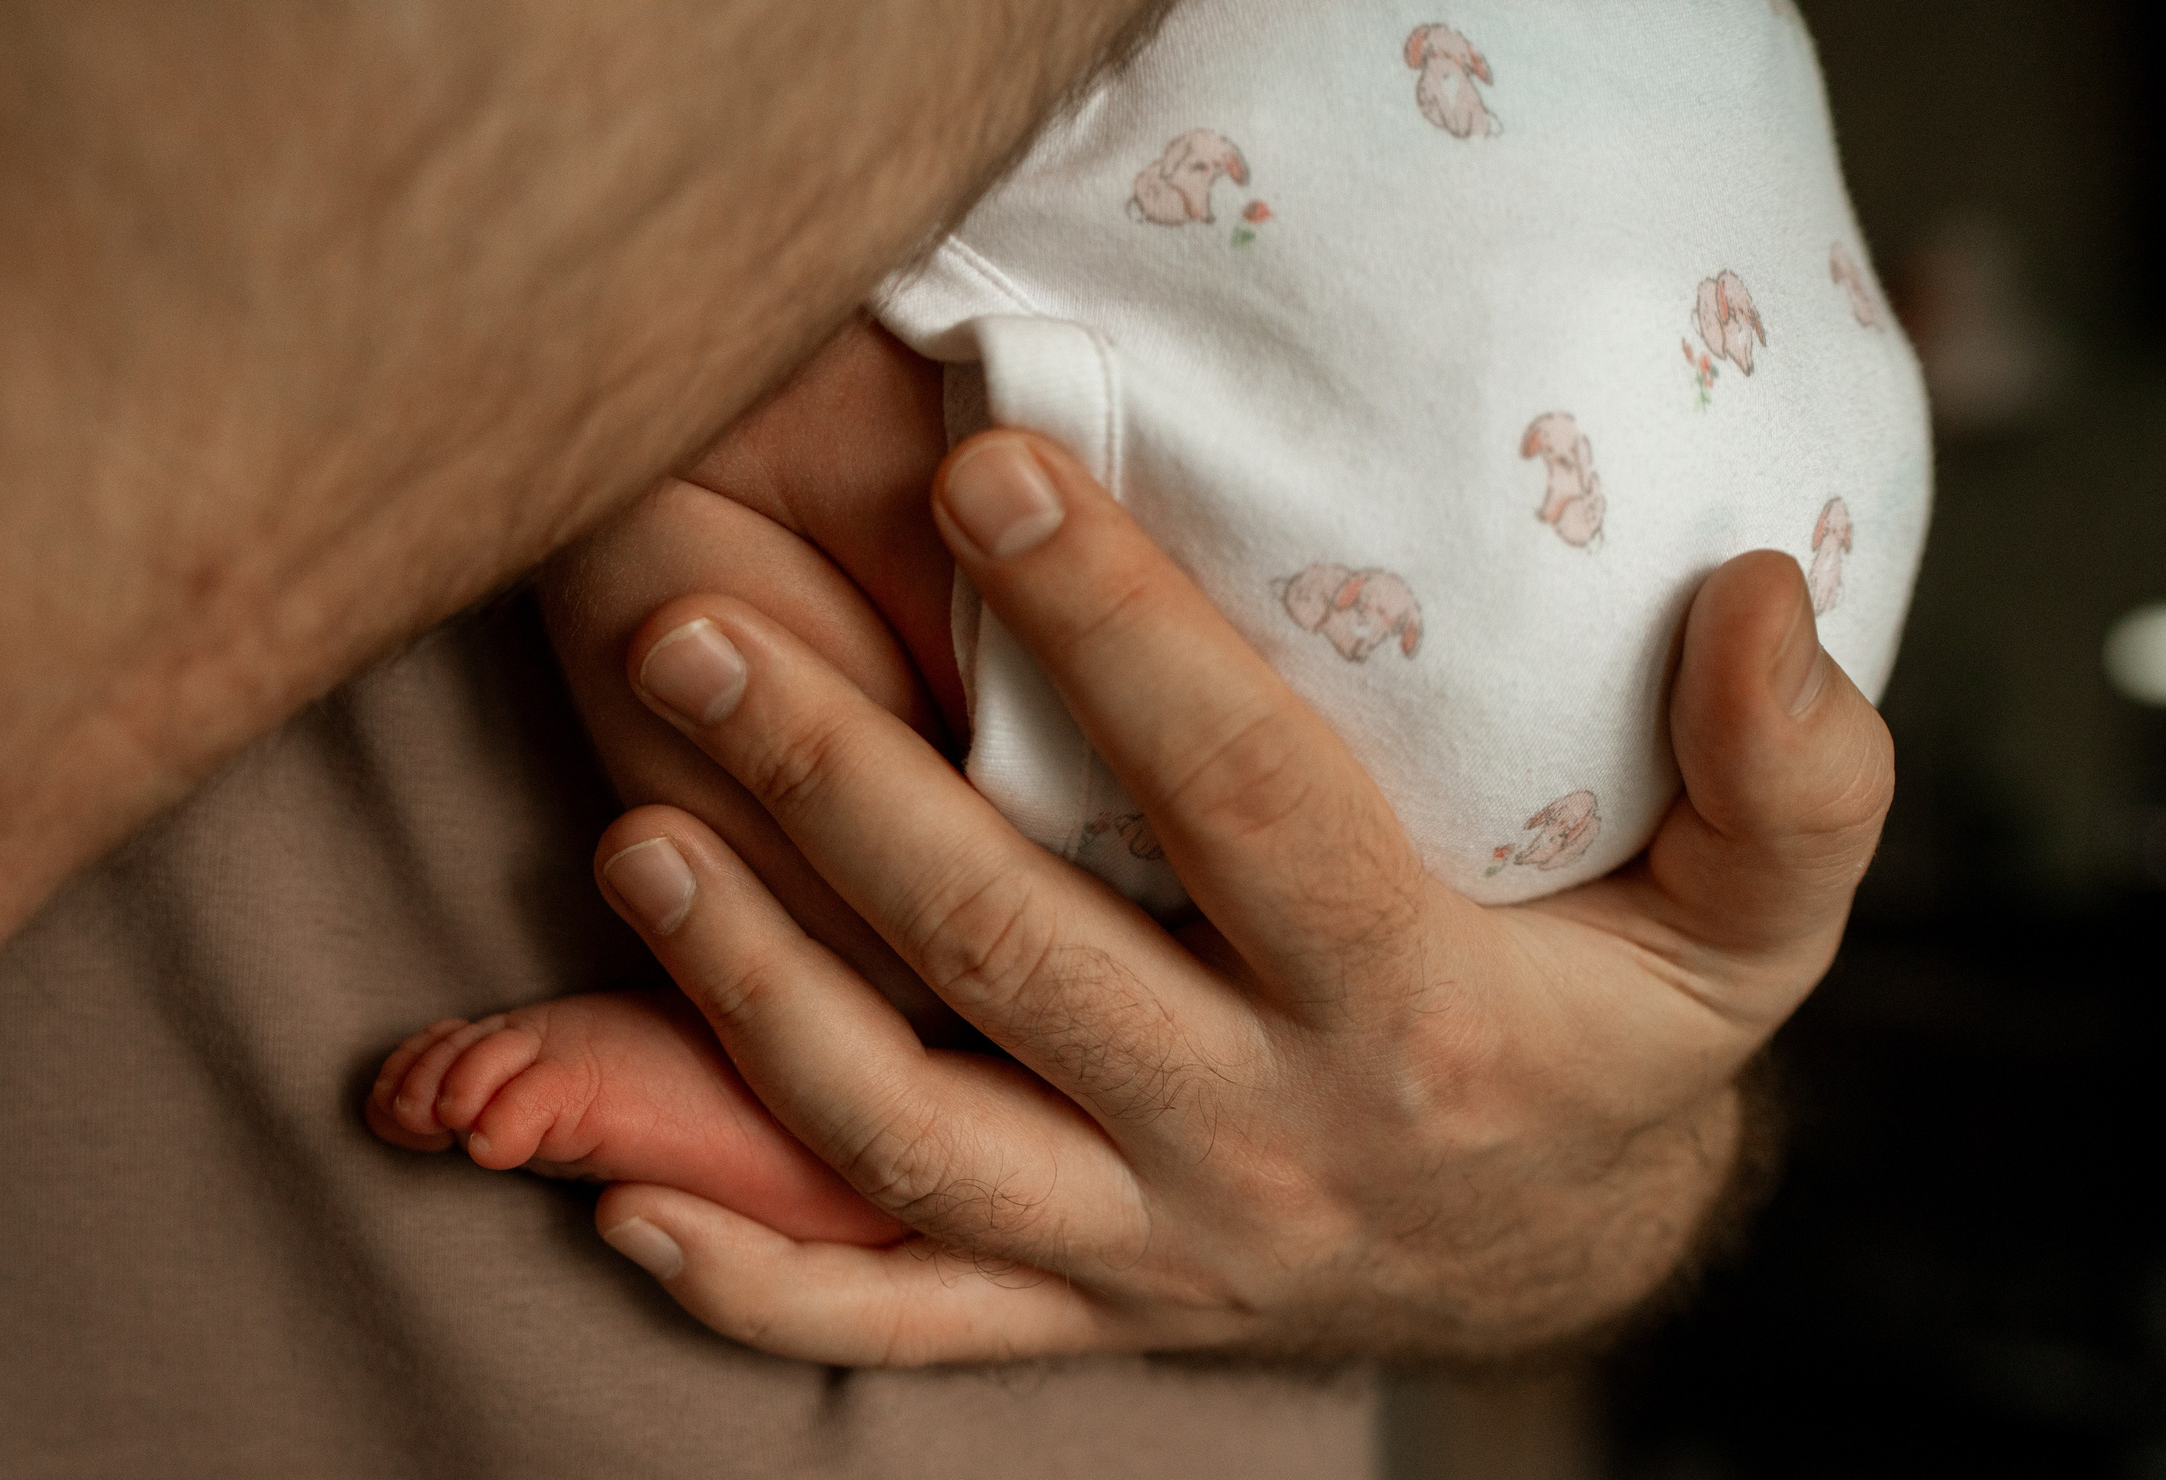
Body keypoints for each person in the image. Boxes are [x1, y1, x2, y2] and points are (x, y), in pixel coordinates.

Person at [0, 4, 1893, 1480]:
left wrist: (1576, 1164)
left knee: (697, 536)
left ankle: (869, 1092)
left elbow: (1528, 1125)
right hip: (1718, 389)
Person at [364, 0, 1930, 1284]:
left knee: (668, 397)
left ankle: (873, 1057)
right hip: (1789, 453)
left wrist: (1590, 1182)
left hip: (1391, 353)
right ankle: (935, 1092)